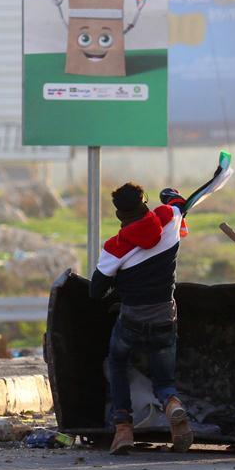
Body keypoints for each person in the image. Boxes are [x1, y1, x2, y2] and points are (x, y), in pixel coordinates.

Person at [90, 183, 193, 455]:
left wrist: (118, 281)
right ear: (145, 203)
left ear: (118, 214)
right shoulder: (169, 221)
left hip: (131, 322)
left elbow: (95, 290)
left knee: (117, 361)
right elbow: (181, 204)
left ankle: (123, 427)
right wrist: (169, 197)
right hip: (164, 318)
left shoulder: (115, 247)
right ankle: (172, 404)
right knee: (163, 380)